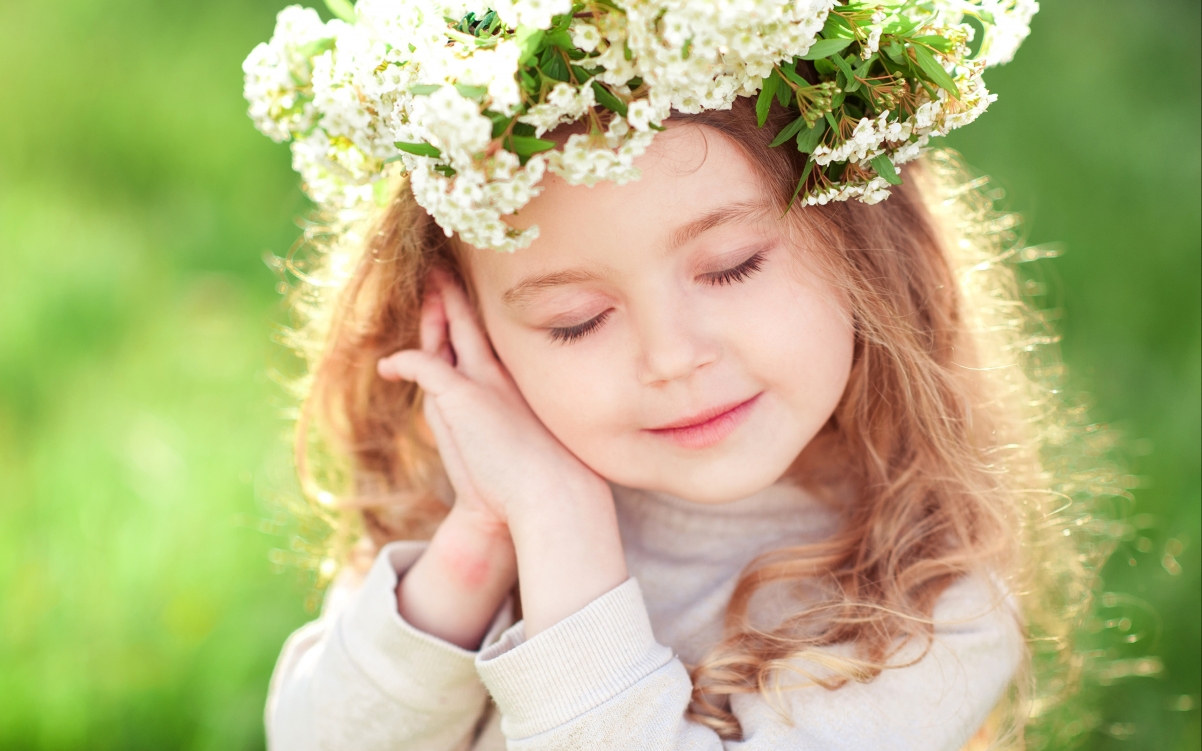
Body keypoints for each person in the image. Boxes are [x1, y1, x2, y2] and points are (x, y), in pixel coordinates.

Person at [244, 1, 1103, 748]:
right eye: (573, 320)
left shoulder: (928, 601)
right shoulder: (468, 484)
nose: (671, 355)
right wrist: (475, 550)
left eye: (729, 266)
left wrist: (561, 532)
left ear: (867, 241)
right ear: (462, 321)